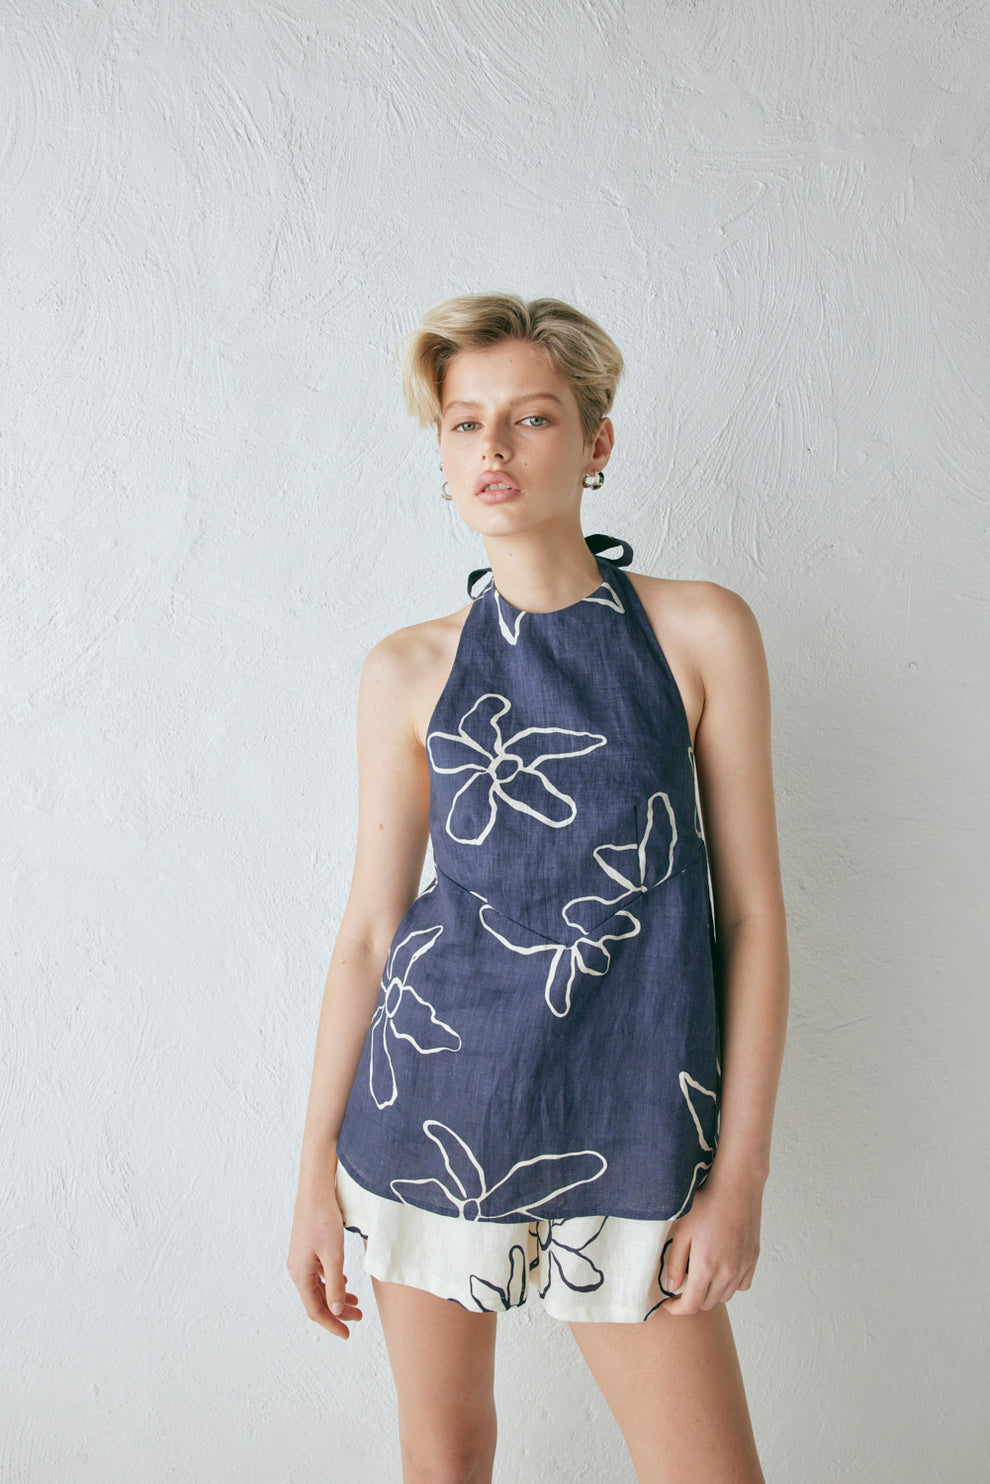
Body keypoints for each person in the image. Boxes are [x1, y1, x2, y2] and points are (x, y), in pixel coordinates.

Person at [288, 293, 789, 1483]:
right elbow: (369, 934)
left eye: (532, 417)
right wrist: (312, 1171)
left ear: (596, 441)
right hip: (430, 1113)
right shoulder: (410, 667)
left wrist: (738, 1178)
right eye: (465, 423)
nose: (494, 449)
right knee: (447, 1456)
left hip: (633, 1125)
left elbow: (753, 919)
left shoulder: (700, 631)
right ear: (442, 453)